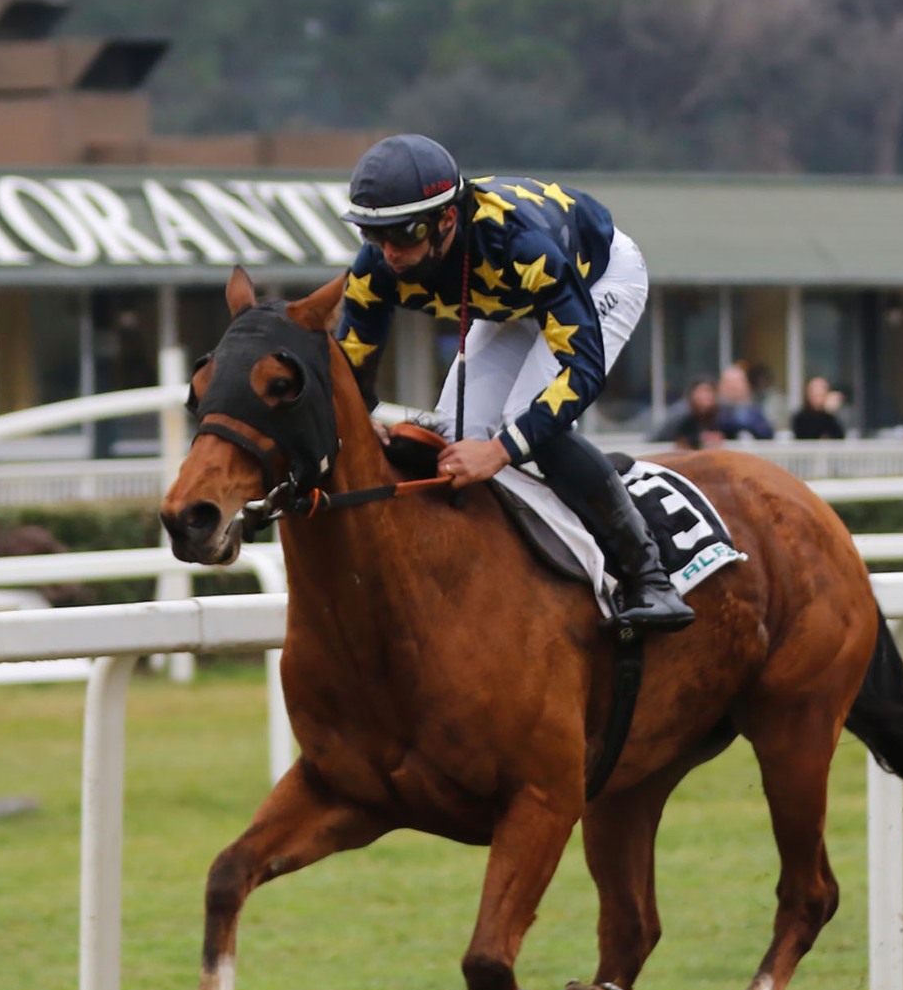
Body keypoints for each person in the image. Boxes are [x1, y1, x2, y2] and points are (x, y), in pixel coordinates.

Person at [332, 133, 692, 632]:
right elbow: (349, 370)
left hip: (595, 277)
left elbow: (580, 373)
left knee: (518, 423)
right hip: (509, 300)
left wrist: (500, 451)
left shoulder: (520, 245)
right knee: (454, 435)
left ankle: (649, 577)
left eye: (405, 234)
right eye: (375, 235)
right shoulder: (376, 270)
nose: (390, 252)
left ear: (447, 220)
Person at [659, 377, 727, 451]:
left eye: (709, 391)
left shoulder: (721, 415)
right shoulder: (680, 416)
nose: (705, 396)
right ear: (692, 394)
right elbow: (662, 438)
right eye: (701, 392)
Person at [716, 363, 774, 441]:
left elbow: (767, 433)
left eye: (738, 382)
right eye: (729, 383)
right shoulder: (714, 412)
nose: (734, 387)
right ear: (720, 386)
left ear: (746, 385)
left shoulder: (756, 411)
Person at [791, 375, 847, 441]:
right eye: (815, 394)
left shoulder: (831, 417)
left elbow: (840, 437)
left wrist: (830, 412)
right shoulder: (800, 418)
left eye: (820, 394)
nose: (817, 398)